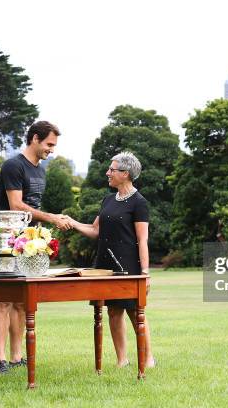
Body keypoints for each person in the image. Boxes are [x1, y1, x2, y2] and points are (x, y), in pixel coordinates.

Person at [0, 120, 72, 373]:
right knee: (3, 301)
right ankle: (0, 358)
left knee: (20, 301)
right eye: (49, 144)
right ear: (35, 138)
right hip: (8, 239)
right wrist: (51, 217)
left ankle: (17, 357)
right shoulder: (13, 166)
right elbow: (16, 205)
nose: (52, 149)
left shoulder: (40, 169)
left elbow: (33, 206)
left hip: (31, 239)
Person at [68, 152, 155, 368]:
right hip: (105, 266)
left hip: (129, 266)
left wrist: (145, 273)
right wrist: (72, 222)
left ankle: (148, 358)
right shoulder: (108, 199)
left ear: (125, 174)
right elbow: (95, 230)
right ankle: (121, 360)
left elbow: (142, 240)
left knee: (135, 313)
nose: (108, 173)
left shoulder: (139, 203)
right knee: (113, 311)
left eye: (112, 169)